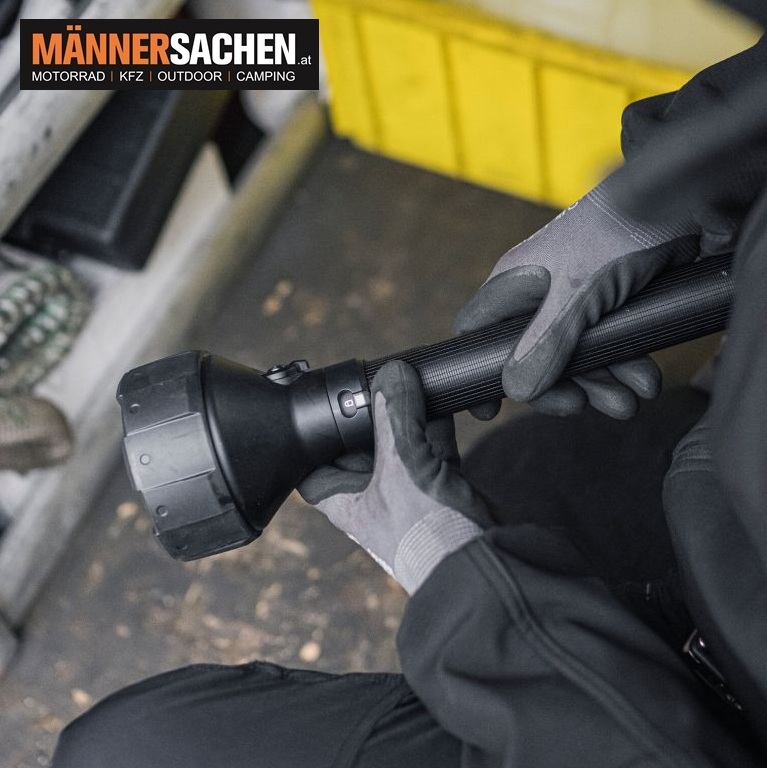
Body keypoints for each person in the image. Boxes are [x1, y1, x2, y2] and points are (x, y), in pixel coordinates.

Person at [53, 1, 767, 765]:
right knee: (535, 470)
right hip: (730, 522)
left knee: (127, 754)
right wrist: (691, 184)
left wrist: (466, 584)